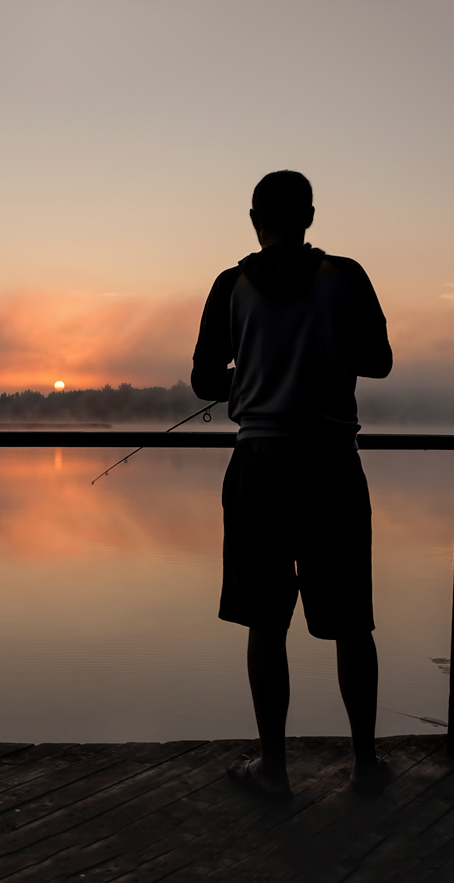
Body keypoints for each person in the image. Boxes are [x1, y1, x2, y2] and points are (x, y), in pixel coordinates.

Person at [191, 170, 393, 799]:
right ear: (308, 217)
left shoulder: (232, 285)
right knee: (351, 621)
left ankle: (273, 769)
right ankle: (363, 765)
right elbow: (379, 361)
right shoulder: (346, 276)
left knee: (265, 621)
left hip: (260, 466)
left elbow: (204, 382)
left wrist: (248, 370)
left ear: (255, 220)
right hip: (331, 463)